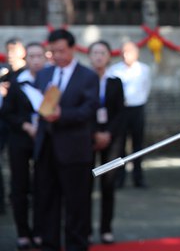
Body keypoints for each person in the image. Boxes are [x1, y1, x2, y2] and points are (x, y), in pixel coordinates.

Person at [34, 29, 99, 251]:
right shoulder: (44, 74)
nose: (57, 56)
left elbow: (89, 109)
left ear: (73, 48)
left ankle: (76, 245)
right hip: (46, 146)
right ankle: (49, 243)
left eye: (61, 51)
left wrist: (63, 114)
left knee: (76, 202)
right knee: (47, 200)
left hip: (74, 148)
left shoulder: (87, 76)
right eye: (53, 52)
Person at [1, 42, 46, 249]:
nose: (36, 61)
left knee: (42, 186)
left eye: (39, 56)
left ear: (45, 58)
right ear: (26, 59)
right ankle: (22, 233)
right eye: (32, 57)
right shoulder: (17, 81)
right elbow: (7, 112)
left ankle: (39, 231)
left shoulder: (51, 80)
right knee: (19, 186)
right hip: (20, 140)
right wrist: (25, 125)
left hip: (44, 140)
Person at [88, 41, 125, 244]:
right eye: (95, 53)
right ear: (89, 56)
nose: (99, 56)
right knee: (84, 185)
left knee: (108, 184)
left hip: (111, 138)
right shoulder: (84, 79)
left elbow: (120, 112)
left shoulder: (115, 81)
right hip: (87, 137)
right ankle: (84, 229)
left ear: (109, 56)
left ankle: (106, 229)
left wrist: (108, 133)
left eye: (103, 52)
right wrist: (94, 133)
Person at [108, 41, 151, 188]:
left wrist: (140, 100)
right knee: (120, 145)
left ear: (136, 54)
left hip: (137, 108)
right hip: (121, 110)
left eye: (129, 52)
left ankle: (138, 177)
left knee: (138, 144)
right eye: (124, 52)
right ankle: (119, 178)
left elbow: (146, 87)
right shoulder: (114, 70)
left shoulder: (144, 69)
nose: (126, 56)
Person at [0, 38, 27, 216]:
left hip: (23, 127)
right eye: (8, 50)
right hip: (5, 124)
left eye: (14, 50)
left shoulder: (28, 74)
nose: (10, 54)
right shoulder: (4, 71)